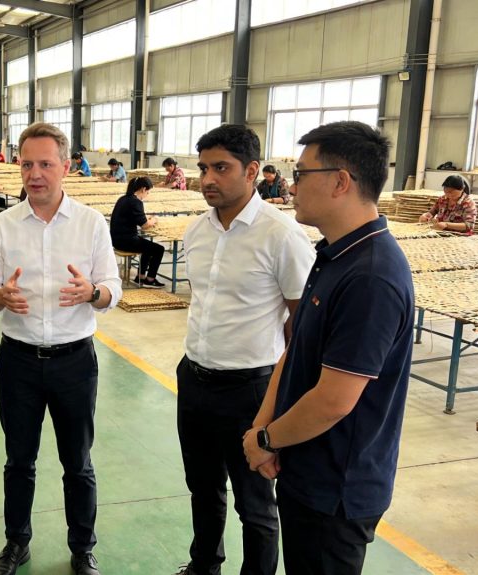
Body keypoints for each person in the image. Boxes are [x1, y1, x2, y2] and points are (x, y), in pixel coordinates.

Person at [242, 122, 414, 575]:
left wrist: (265, 439)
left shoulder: (372, 276)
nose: (292, 186)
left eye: (302, 174)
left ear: (341, 181)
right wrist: (266, 428)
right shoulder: (335, 254)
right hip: (306, 468)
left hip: (337, 487)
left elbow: (335, 400)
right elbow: (296, 350)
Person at [0, 122, 122, 575]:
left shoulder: (91, 223)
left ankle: (82, 548)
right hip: (18, 360)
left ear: (65, 166)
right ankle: (16, 543)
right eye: (26, 164)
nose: (35, 173)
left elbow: (113, 290)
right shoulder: (3, 225)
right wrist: (1, 296)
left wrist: (92, 292)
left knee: (77, 463)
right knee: (19, 460)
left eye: (45, 163)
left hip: (75, 361)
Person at [174, 125, 314, 575]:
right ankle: (203, 566)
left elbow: (302, 324)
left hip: (251, 390)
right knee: (203, 488)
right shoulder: (197, 231)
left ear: (252, 171)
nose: (208, 179)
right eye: (203, 168)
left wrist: (280, 401)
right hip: (194, 379)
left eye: (221, 168)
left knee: (254, 505)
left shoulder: (282, 236)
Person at [109, 176, 165, 288]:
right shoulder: (136, 202)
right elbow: (145, 225)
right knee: (159, 249)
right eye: (148, 192)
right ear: (143, 189)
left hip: (116, 239)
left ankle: (141, 277)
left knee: (147, 246)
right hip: (126, 241)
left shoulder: (123, 198)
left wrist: (146, 218)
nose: (147, 195)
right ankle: (150, 280)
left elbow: (135, 217)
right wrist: (153, 220)